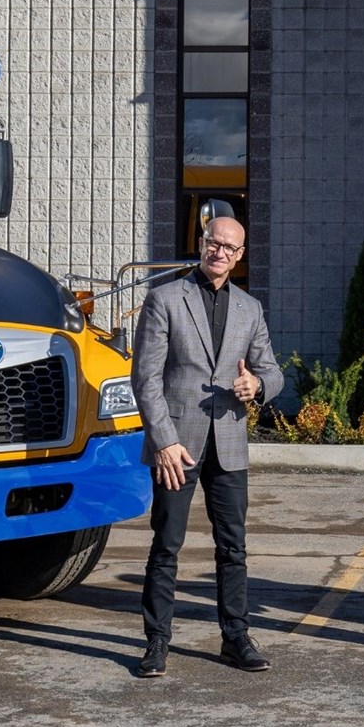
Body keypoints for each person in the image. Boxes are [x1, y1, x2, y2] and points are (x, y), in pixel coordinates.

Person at [130, 216, 284, 678]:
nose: (220, 252)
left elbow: (273, 372)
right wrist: (163, 441)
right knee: (167, 545)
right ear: (201, 244)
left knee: (233, 547)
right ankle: (157, 641)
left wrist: (255, 384)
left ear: (239, 258)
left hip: (229, 445)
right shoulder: (164, 299)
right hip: (177, 446)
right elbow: (146, 378)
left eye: (230, 248)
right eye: (213, 243)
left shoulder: (249, 309)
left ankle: (235, 638)